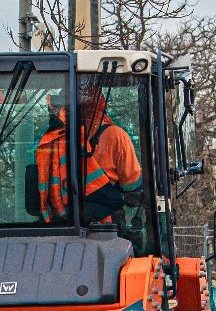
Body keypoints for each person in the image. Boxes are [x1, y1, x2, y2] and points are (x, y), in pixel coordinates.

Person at [35, 82, 143, 231]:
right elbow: (132, 184)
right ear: (101, 103)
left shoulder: (53, 140)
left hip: (63, 223)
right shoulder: (116, 135)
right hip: (108, 225)